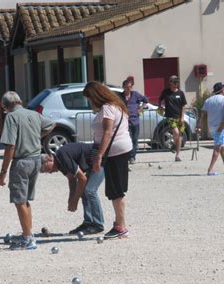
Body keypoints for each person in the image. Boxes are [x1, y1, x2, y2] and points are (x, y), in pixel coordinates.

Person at [0, 91, 55, 250]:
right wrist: (37, 136)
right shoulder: (34, 114)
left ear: (6, 106)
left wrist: (3, 172)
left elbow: (10, 146)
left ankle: (28, 238)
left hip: (21, 161)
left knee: (19, 201)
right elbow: (52, 124)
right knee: (25, 200)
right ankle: (28, 233)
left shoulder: (11, 117)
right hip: (36, 160)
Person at [82, 81, 132, 239]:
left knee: (115, 191)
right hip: (121, 149)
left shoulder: (107, 108)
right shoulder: (118, 105)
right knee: (117, 190)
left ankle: (120, 226)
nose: (89, 101)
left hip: (114, 152)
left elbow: (108, 133)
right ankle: (119, 224)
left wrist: (99, 155)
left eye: (89, 98)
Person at [40, 142, 104, 235]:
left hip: (100, 160)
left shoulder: (62, 157)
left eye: (47, 169)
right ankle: (88, 222)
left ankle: (98, 225)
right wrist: (71, 198)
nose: (49, 172)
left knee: (89, 190)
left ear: (49, 159)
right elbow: (72, 179)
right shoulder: (59, 163)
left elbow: (82, 179)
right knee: (83, 191)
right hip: (92, 163)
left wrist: (75, 200)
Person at [196, 82, 224, 176]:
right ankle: (210, 169)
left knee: (222, 147)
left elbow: (202, 114)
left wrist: (198, 125)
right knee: (217, 148)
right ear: (222, 90)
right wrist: (222, 123)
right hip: (220, 127)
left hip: (211, 127)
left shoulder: (208, 100)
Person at [158, 75, 187, 161]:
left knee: (180, 136)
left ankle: (177, 155)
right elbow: (160, 100)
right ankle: (174, 144)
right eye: (174, 82)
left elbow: (184, 105)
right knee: (176, 132)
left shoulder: (181, 93)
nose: (176, 84)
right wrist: (160, 106)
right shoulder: (166, 92)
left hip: (179, 117)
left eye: (177, 82)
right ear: (170, 82)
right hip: (170, 117)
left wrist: (182, 117)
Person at [120, 79, 148, 165]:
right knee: (128, 139)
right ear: (123, 87)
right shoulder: (120, 96)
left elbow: (146, 99)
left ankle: (132, 157)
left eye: (130, 86)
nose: (129, 88)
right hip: (125, 122)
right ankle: (128, 156)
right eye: (127, 87)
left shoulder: (135, 95)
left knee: (135, 140)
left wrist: (140, 109)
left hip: (135, 121)